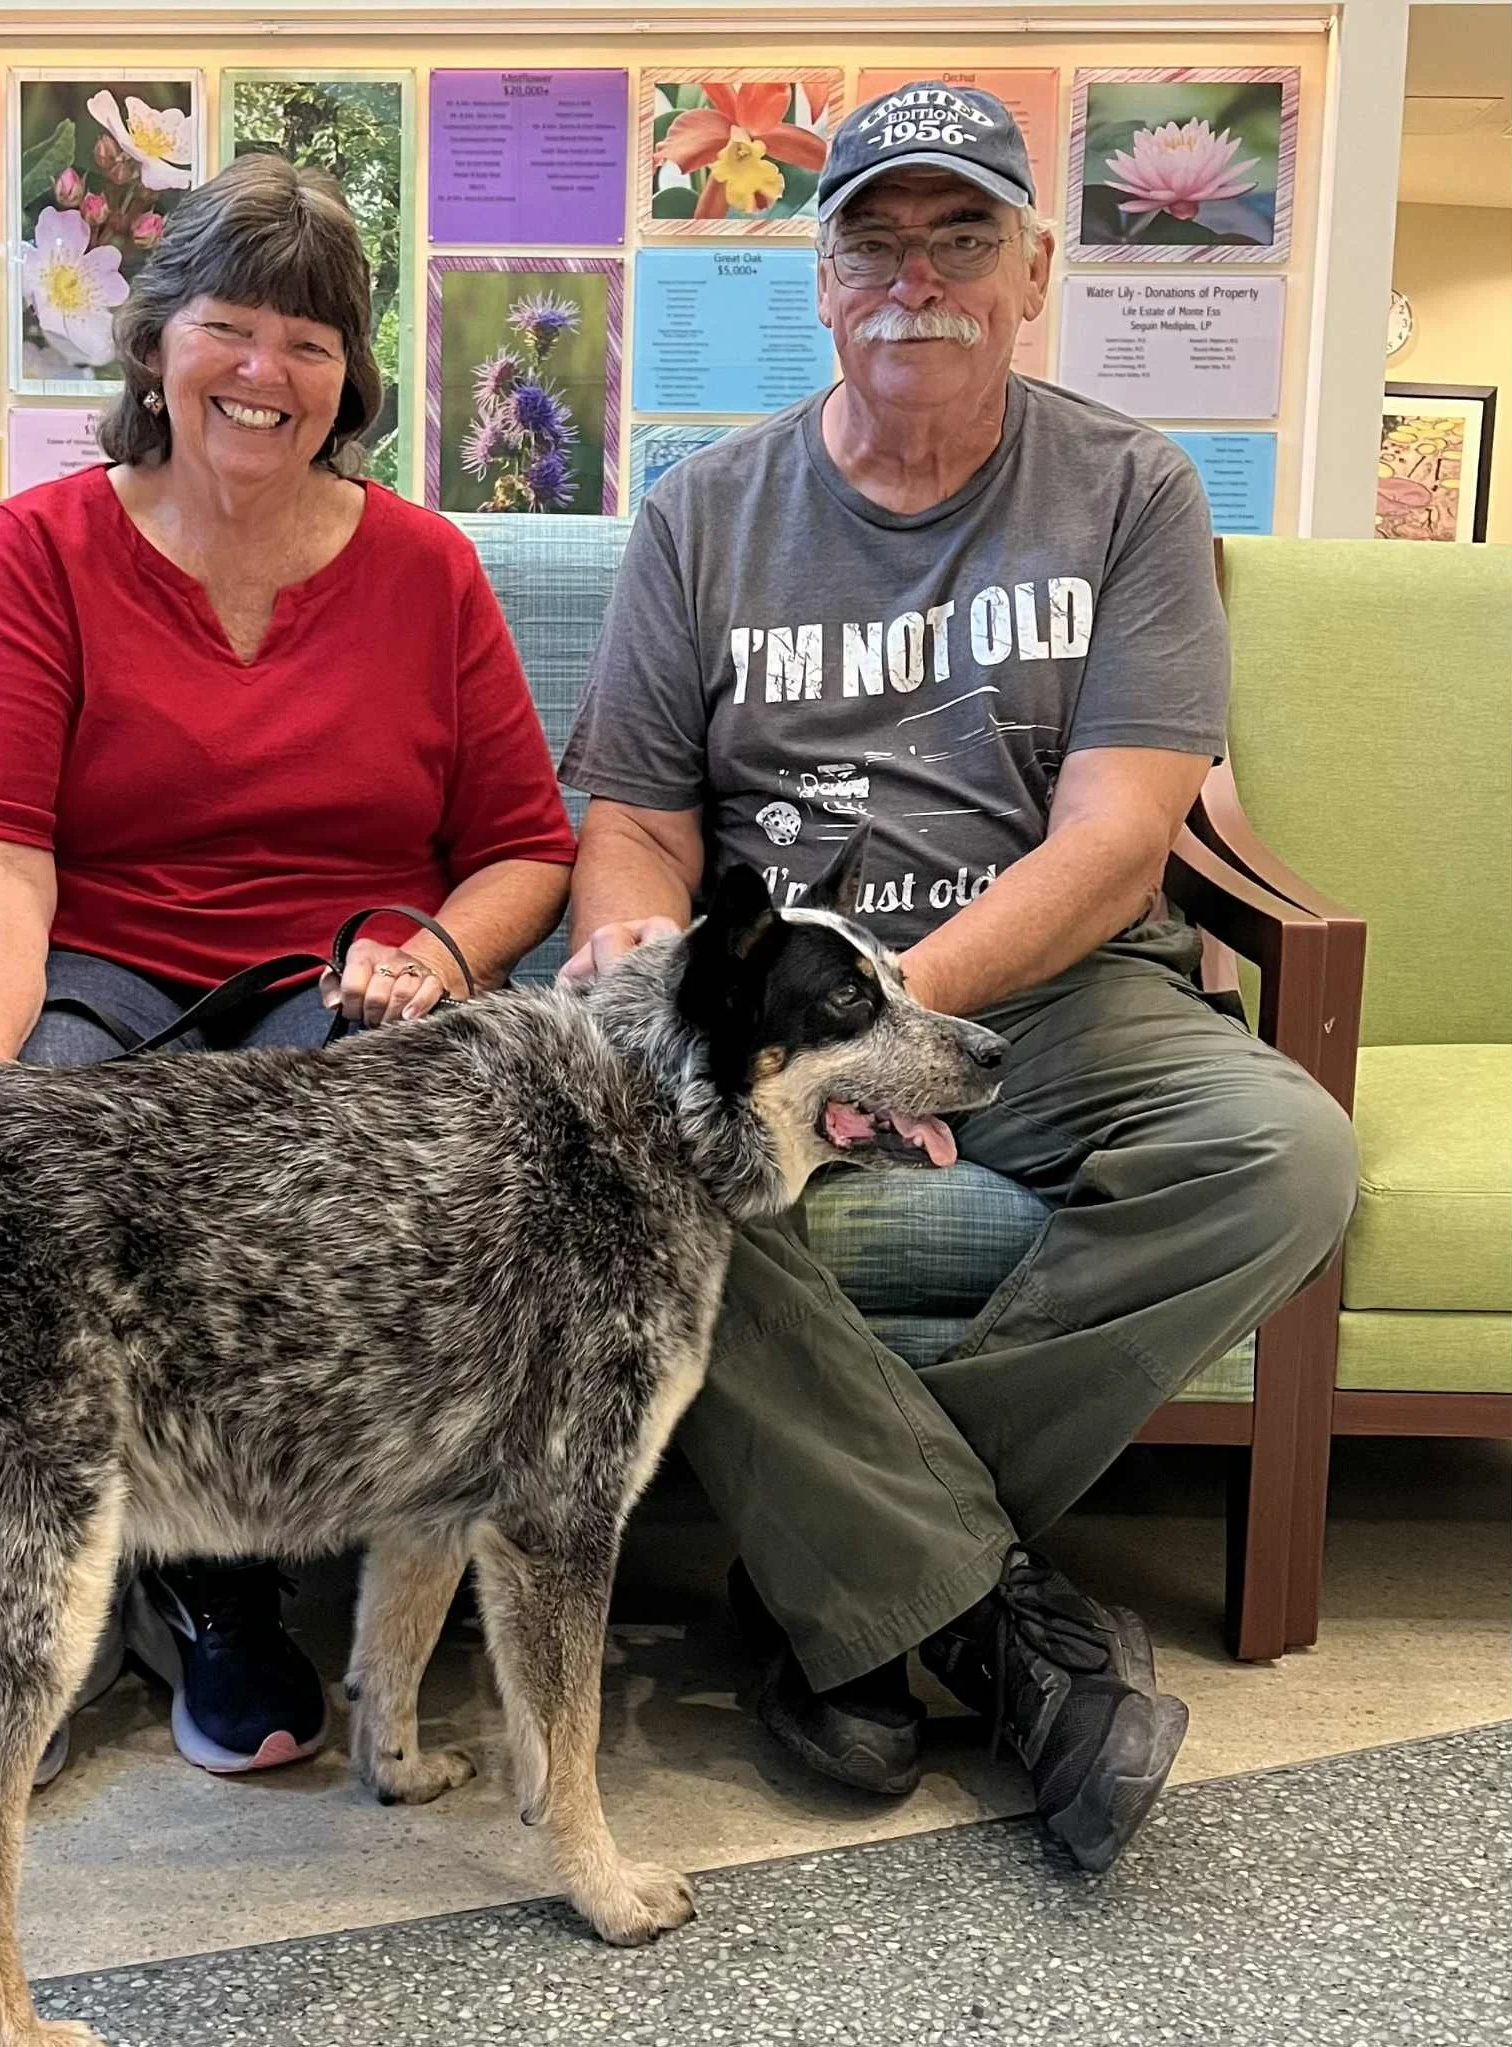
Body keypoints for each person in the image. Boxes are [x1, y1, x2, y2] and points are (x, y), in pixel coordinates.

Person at [558, 81, 1358, 1872]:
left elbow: (1116, 842)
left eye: (962, 238)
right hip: (782, 1009)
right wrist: (634, 929)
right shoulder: (705, 512)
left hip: (1051, 985)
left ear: (1032, 275)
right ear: (820, 281)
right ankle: (983, 1615)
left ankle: (830, 1573)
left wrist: (887, 1025)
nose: (915, 276)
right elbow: (633, 817)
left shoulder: (1130, 485)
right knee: (645, 1157)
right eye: (874, 240)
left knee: (1280, 1155)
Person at [0, 154, 575, 1785]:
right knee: (29, 1152)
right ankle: (9, 1597)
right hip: (76, 961)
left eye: (307, 344)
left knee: (336, 1177)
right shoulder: (40, 549)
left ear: (348, 378)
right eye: (227, 328)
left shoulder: (427, 567)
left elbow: (526, 843)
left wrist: (437, 948)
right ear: (154, 348)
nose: (262, 374)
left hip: (335, 987)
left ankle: (221, 1597)